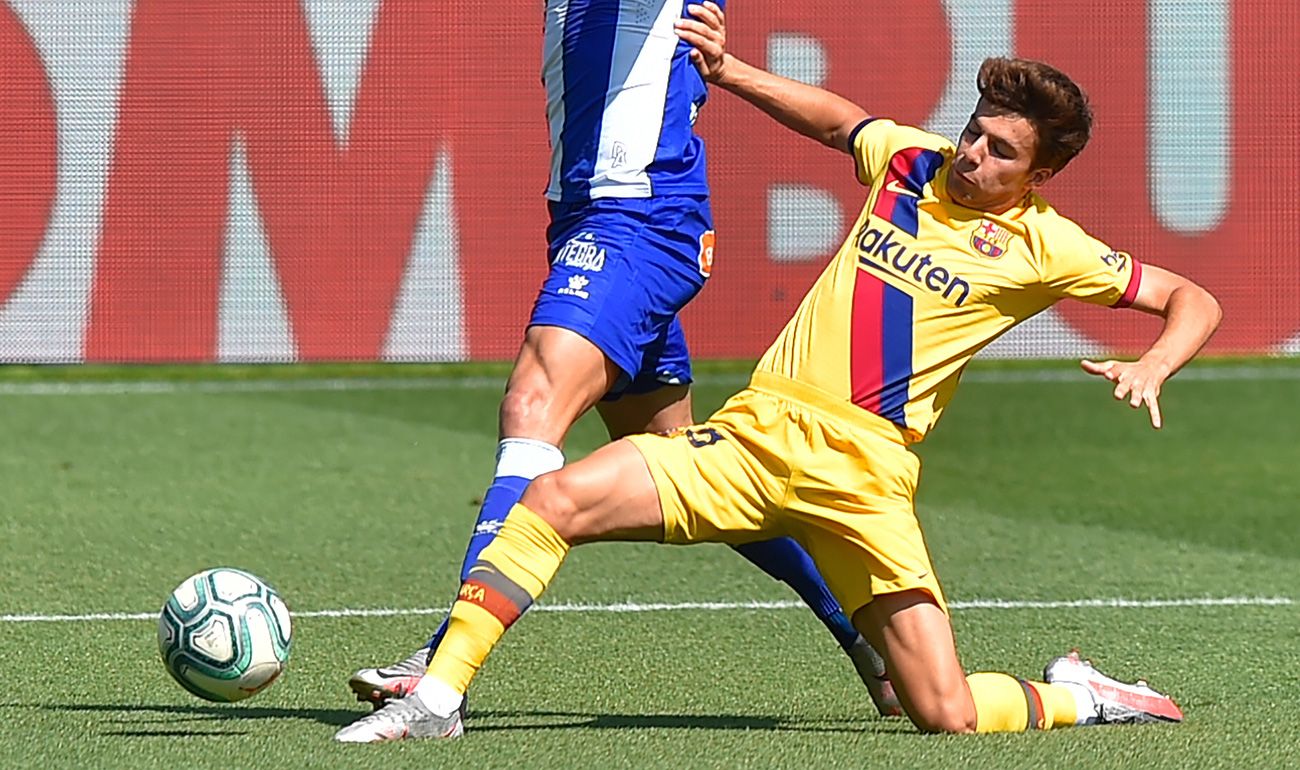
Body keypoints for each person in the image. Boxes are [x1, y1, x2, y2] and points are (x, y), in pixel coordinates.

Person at [334, 1, 1222, 742]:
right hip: (758, 439)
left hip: (868, 482)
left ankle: (1087, 695)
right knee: (550, 500)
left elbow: (1193, 297)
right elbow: (839, 121)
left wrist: (1153, 363)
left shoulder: (1049, 246)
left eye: (998, 151)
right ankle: (436, 700)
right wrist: (730, 72)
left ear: (1043, 173)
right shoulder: (911, 160)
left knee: (941, 712)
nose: (971, 154)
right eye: (973, 131)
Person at [346, 0, 899, 718]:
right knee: (683, 462)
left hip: (636, 218)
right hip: (593, 215)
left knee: (530, 405)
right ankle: (864, 636)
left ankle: (443, 663)